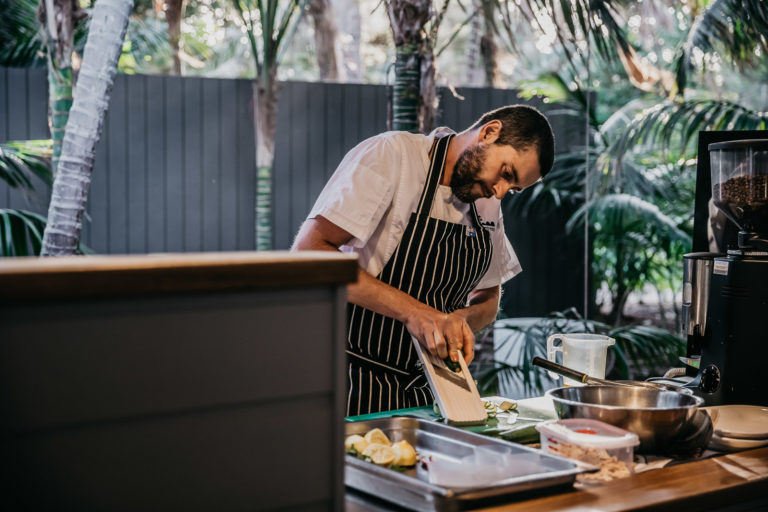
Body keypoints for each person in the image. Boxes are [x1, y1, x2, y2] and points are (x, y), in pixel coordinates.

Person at [292, 105, 555, 415]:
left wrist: (460, 321)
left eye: (512, 189)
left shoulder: (485, 200)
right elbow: (310, 251)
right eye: (506, 173)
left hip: (427, 393)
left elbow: (488, 298)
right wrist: (414, 312)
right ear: (489, 132)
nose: (499, 192)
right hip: (352, 379)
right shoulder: (392, 156)